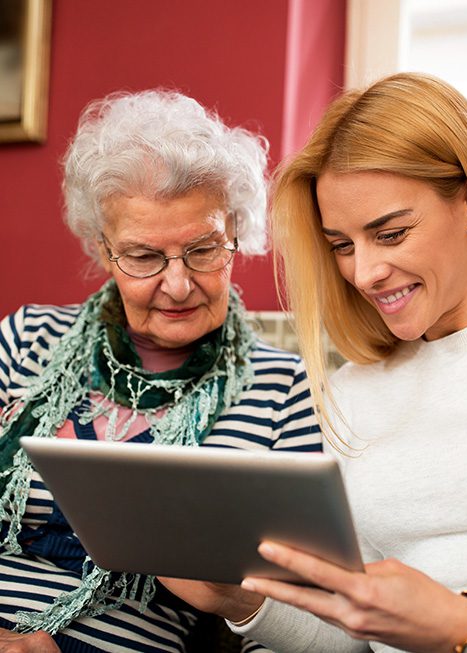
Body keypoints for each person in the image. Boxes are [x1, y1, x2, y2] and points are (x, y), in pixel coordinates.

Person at [161, 73, 467, 652]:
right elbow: (354, 639)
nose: (363, 273)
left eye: (390, 234)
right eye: (342, 245)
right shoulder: (352, 391)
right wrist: (244, 602)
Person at [0, 90, 322, 653]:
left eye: (203, 250)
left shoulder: (284, 391)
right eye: (144, 257)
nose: (177, 285)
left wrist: (242, 601)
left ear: (237, 237)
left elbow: (303, 622)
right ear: (103, 250)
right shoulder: (27, 338)